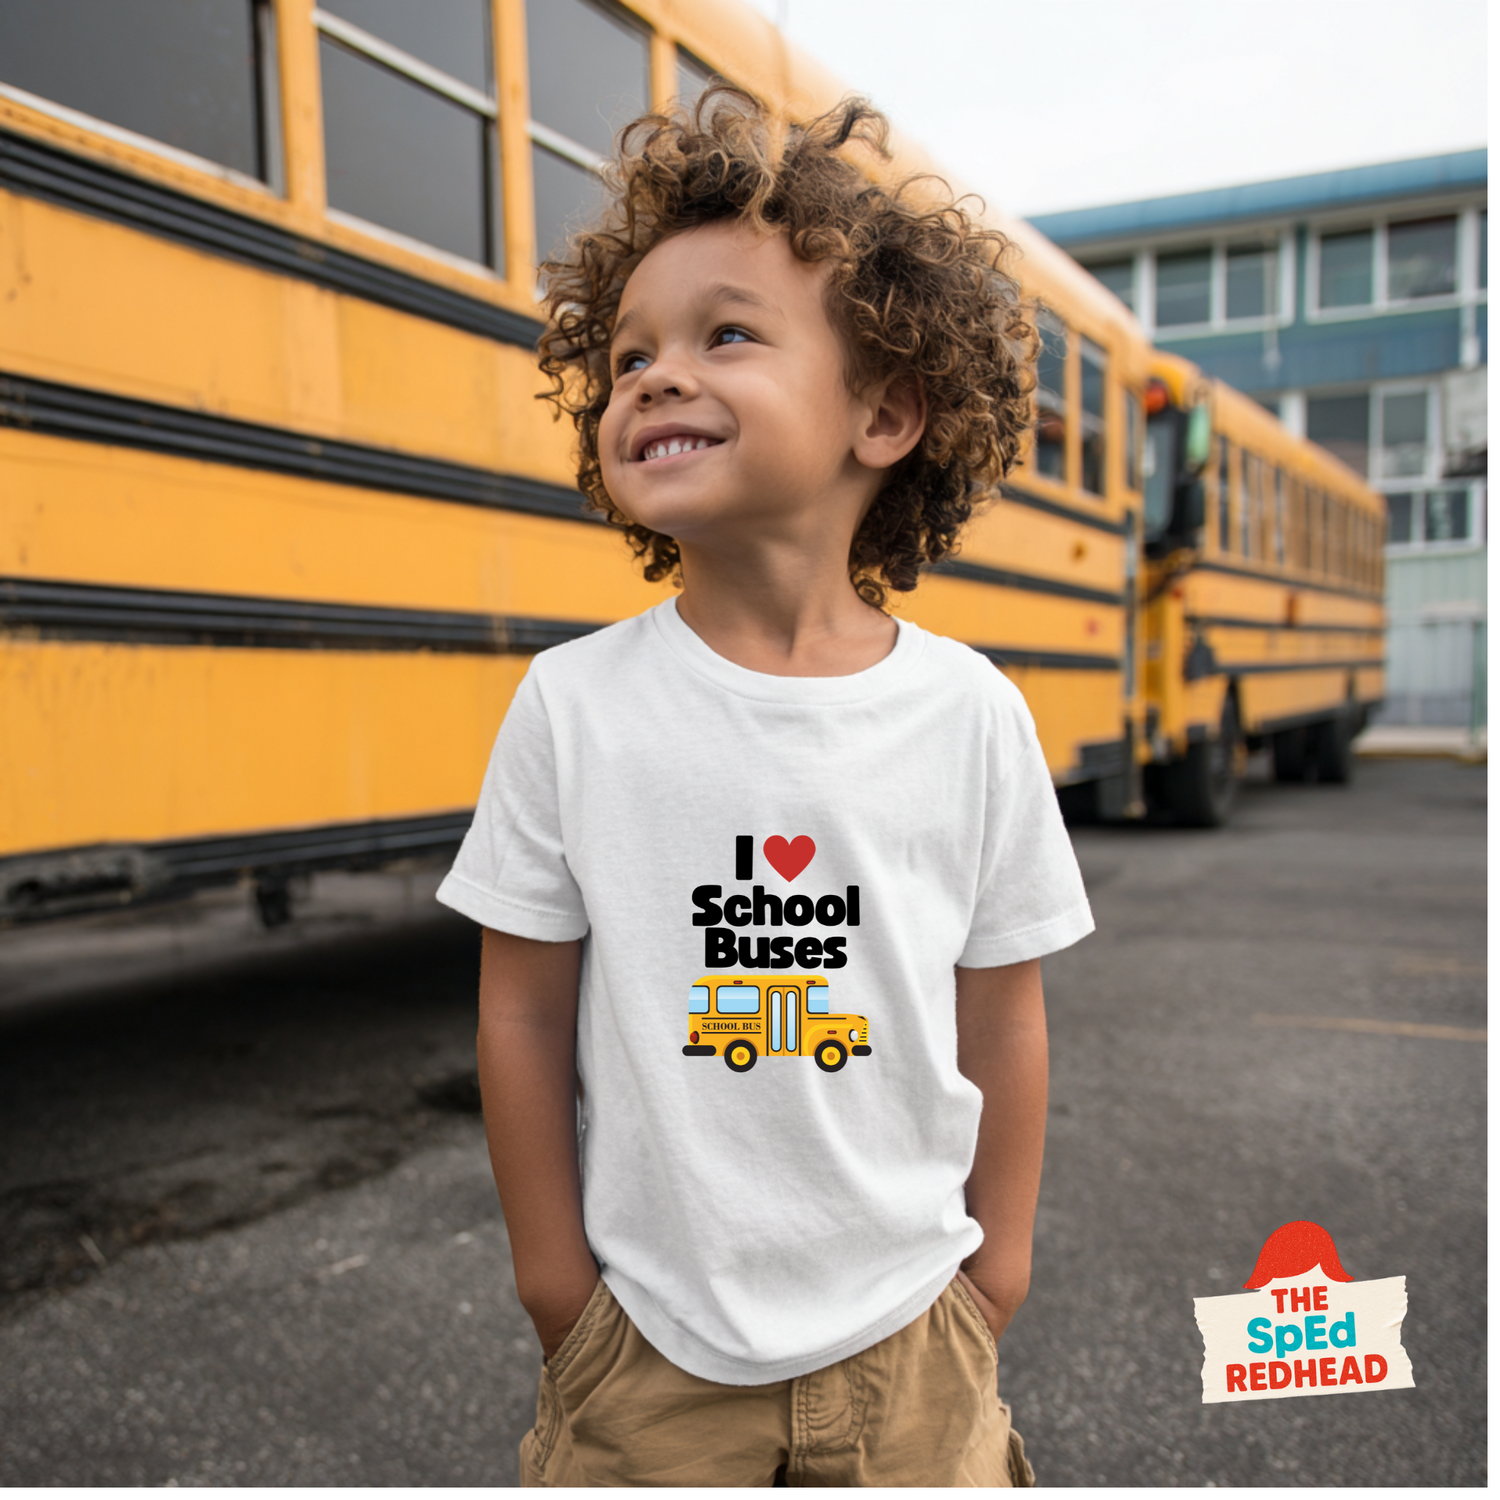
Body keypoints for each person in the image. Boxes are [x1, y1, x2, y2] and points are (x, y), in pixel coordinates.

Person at [436, 87, 1093, 1487]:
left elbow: (1003, 1009)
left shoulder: (971, 715)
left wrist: (997, 1273)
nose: (655, 377)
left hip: (920, 1339)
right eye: (626, 359)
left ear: (887, 410)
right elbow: (522, 1006)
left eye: (725, 334)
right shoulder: (574, 706)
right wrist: (563, 1298)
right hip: (652, 1361)